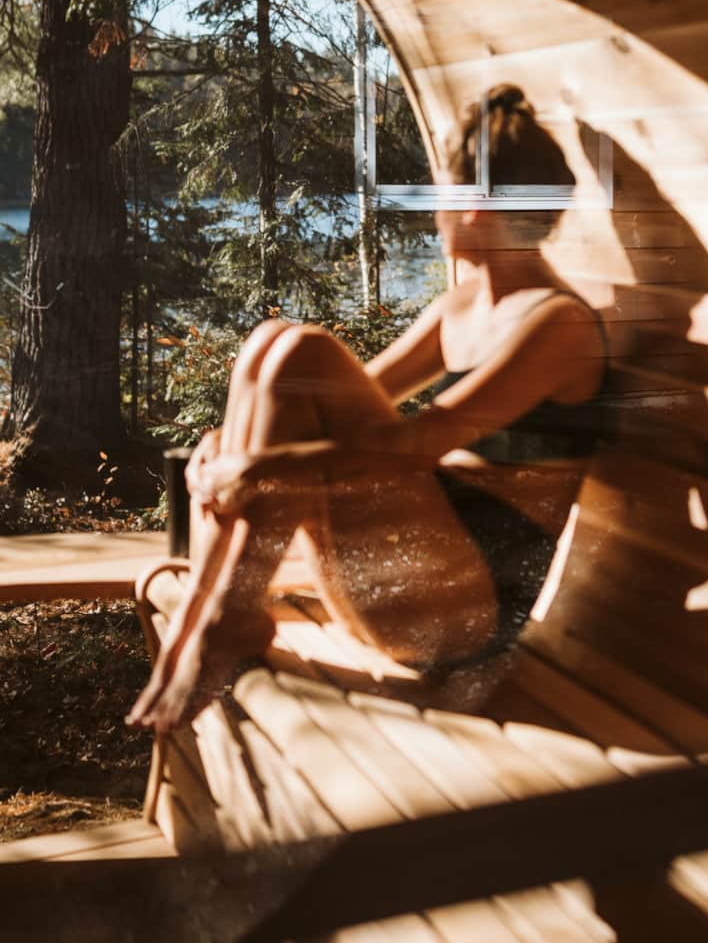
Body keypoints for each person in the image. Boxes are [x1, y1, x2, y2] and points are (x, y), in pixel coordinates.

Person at [128, 86, 610, 734]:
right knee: (276, 344)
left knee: (301, 350)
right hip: (402, 578)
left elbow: (420, 442)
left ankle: (223, 617)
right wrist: (226, 445)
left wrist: (261, 466)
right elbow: (325, 400)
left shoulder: (558, 325)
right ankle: (204, 618)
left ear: (477, 207)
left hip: (464, 614)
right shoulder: (461, 308)